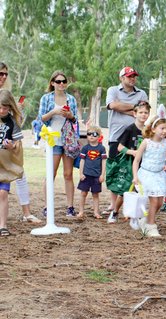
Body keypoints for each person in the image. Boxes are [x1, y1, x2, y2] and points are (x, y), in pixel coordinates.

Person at [105, 66, 148, 220]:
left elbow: (143, 110)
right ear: (121, 78)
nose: (132, 79)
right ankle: (113, 204)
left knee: (135, 171)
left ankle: (130, 205)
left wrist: (124, 107)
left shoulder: (141, 92)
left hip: (136, 136)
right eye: (129, 76)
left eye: (134, 76)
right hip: (116, 137)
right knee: (116, 170)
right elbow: (113, 105)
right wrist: (134, 108)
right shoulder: (113, 90)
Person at [0, 62, 40, 223]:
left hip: (7, 147)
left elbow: (15, 124)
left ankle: (27, 212)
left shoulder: (6, 93)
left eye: (5, 74)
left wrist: (17, 109)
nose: (3, 77)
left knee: (20, 173)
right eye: (0, 73)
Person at [38, 70, 79, 217]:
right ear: (52, 83)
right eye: (58, 81)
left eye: (64, 81)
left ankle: (70, 207)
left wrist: (70, 116)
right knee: (51, 173)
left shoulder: (71, 99)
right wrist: (54, 111)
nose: (61, 84)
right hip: (52, 140)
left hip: (68, 140)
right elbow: (41, 118)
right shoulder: (46, 98)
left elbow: (75, 121)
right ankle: (47, 206)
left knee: (68, 174)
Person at [132, 116, 166, 237]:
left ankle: (146, 220)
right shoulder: (146, 142)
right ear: (154, 129)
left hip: (159, 175)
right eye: (162, 128)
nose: (164, 131)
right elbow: (136, 160)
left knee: (160, 202)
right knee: (154, 201)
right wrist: (135, 176)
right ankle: (150, 225)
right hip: (147, 174)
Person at [0, 90, 24, 236]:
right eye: (0, 107)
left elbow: (17, 143)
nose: (2, 110)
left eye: (5, 107)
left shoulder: (12, 122)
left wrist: (12, 146)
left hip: (4, 164)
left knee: (3, 193)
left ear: (10, 107)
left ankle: (2, 225)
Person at [77, 126, 107, 218]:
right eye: (89, 134)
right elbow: (82, 161)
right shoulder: (85, 148)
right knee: (83, 193)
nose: (91, 136)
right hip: (86, 175)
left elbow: (104, 161)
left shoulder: (101, 148)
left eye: (94, 134)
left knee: (95, 194)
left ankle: (96, 212)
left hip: (96, 176)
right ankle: (81, 211)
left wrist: (102, 175)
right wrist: (81, 173)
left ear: (99, 136)